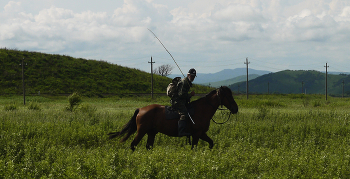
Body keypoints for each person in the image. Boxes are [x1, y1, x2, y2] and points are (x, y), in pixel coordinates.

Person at [171, 68, 196, 137]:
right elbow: (181, 95)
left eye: (194, 76)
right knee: (184, 114)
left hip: (182, 101)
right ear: (188, 75)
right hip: (178, 101)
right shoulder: (184, 82)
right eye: (192, 76)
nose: (193, 77)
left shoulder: (188, 82)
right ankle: (181, 131)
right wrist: (190, 95)